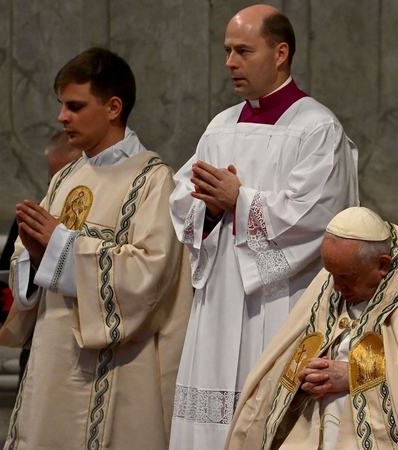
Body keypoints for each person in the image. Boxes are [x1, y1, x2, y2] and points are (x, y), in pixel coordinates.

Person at [168, 4, 359, 449]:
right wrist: (211, 210)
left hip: (280, 300)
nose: (230, 63)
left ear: (280, 53)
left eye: (243, 51)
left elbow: (319, 216)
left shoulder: (316, 128)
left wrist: (241, 200)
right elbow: (182, 195)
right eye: (227, 51)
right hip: (218, 301)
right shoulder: (220, 127)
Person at [0, 47, 193, 449]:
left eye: (74, 106)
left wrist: (61, 245)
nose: (61, 117)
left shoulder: (153, 181)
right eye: (62, 105)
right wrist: (34, 256)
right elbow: (33, 269)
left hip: (113, 372)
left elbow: (147, 276)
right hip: (51, 364)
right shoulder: (65, 176)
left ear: (113, 107)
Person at [224, 207, 398, 450]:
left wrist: (353, 375)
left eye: (346, 278)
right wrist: (308, 374)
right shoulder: (339, 275)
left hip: (393, 420)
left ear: (383, 265)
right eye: (332, 275)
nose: (336, 287)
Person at [0, 132, 81, 325]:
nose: (59, 190)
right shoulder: (31, 219)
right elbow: (1, 290)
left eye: (69, 181)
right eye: (54, 181)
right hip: (37, 338)